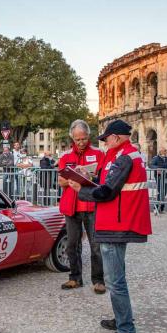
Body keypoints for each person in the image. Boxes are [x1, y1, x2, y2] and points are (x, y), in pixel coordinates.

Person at [67, 119, 151, 333]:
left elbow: (106, 191)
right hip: (116, 221)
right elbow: (106, 182)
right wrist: (90, 178)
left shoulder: (124, 157)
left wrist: (81, 189)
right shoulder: (126, 155)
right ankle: (122, 319)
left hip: (117, 223)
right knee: (117, 277)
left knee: (116, 280)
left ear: (116, 137)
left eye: (106, 138)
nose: (104, 142)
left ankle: (126, 331)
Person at [57, 119, 106, 294]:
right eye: (77, 139)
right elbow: (60, 180)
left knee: (95, 245)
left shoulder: (99, 154)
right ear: (72, 138)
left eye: (84, 139)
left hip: (90, 204)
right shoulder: (65, 156)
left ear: (88, 136)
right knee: (72, 244)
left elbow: (102, 179)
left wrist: (89, 176)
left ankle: (98, 280)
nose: (81, 142)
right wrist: (73, 177)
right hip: (71, 205)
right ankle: (75, 277)